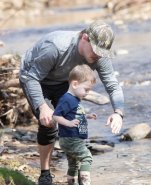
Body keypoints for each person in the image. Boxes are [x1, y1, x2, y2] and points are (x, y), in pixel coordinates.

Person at [19, 20, 124, 185]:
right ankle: (45, 173)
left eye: (102, 52)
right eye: (96, 50)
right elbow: (31, 78)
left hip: (63, 81)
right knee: (49, 123)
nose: (98, 55)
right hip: (34, 78)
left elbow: (112, 84)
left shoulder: (99, 55)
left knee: (74, 121)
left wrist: (118, 113)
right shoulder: (56, 47)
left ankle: (73, 174)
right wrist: (43, 106)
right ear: (84, 38)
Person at [53, 64, 97, 185]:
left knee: (73, 163)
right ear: (75, 84)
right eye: (86, 89)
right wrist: (69, 123)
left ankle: (71, 182)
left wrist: (87, 116)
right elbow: (56, 115)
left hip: (71, 138)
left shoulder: (74, 100)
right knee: (87, 158)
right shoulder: (67, 99)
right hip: (71, 138)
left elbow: (74, 114)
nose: (87, 93)